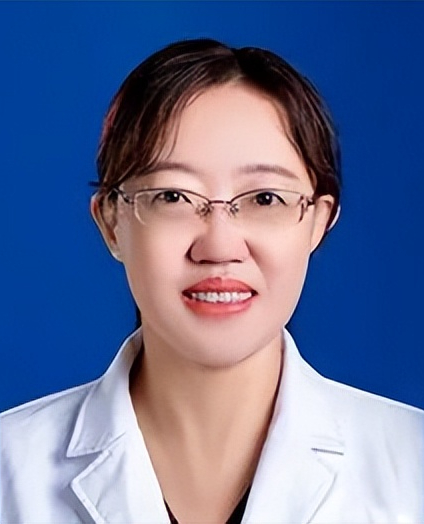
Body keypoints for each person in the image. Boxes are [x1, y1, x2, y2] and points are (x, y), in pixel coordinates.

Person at [1, 38, 423, 524]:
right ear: (111, 223)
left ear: (318, 222)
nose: (220, 246)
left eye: (264, 199)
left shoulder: (412, 467)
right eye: (173, 196)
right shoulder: (11, 471)